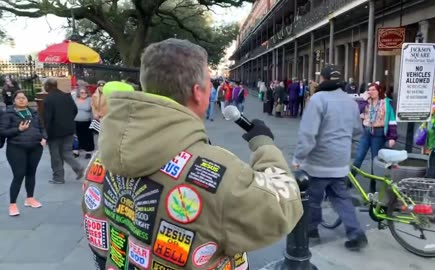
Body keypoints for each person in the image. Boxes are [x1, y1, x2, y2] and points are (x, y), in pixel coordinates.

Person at [81, 39, 303, 270]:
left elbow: (96, 229)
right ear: (198, 93)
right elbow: (282, 208)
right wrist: (264, 145)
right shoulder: (220, 174)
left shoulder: (101, 156)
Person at [292, 65, 368, 251]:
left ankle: (311, 230)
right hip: (340, 162)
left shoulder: (318, 99)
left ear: (323, 79)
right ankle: (355, 232)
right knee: (342, 198)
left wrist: (298, 157)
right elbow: (358, 132)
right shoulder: (350, 102)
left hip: (319, 161)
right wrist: (348, 152)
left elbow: (308, 133)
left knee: (313, 198)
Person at [0, 91, 47, 216]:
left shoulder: (34, 113)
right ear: (14, 100)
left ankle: (30, 198)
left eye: (24, 98)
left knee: (31, 173)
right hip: (16, 148)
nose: (21, 100)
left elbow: (42, 127)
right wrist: (18, 129)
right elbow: (3, 131)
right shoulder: (8, 114)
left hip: (35, 147)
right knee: (19, 174)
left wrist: (44, 137)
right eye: (19, 98)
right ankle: (13, 204)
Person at [353, 82, 397, 192]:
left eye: (373, 90)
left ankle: (372, 186)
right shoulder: (366, 102)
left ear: (379, 91)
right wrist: (364, 100)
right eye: (369, 90)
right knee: (358, 158)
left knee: (375, 160)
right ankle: (349, 181)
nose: (370, 92)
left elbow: (392, 120)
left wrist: (392, 137)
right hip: (366, 132)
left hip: (379, 133)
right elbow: (357, 111)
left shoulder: (386, 103)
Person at [43, 78, 84, 184]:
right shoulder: (66, 96)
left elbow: (48, 118)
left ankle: (58, 177)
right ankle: (78, 168)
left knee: (55, 155)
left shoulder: (48, 99)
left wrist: (45, 134)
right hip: (69, 129)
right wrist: (68, 121)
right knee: (66, 153)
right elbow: (75, 110)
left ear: (47, 86)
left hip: (54, 132)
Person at [73, 86, 94, 159]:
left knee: (88, 137)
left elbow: (93, 109)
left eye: (85, 92)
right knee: (76, 136)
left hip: (86, 121)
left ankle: (88, 152)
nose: (84, 94)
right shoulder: (75, 99)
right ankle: (76, 151)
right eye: (82, 92)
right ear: (79, 93)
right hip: (76, 121)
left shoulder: (90, 99)